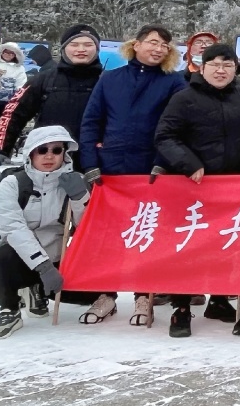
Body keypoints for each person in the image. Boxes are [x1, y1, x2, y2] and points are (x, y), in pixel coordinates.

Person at [77, 23, 186, 327]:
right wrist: (89, 162)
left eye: (164, 45)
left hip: (151, 169)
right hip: (109, 169)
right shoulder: (110, 79)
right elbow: (91, 122)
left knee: (147, 232)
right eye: (152, 42)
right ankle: (105, 294)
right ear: (135, 45)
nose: (158, 49)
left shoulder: (174, 83)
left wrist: (163, 162)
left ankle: (144, 294)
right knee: (108, 235)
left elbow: (177, 127)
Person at [155, 43, 240, 338]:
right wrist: (188, 163)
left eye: (227, 65)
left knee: (231, 247)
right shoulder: (184, 98)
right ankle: (181, 309)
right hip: (193, 187)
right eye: (214, 64)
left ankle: (219, 300)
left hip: (235, 189)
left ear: (236, 69)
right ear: (202, 67)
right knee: (189, 249)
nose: (221, 70)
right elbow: (165, 136)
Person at [0, 125, 90, 339]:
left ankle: (37, 290)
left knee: (91, 295)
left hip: (56, 253)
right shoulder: (13, 183)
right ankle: (10, 308)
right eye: (42, 150)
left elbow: (86, 228)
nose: (49, 156)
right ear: (30, 153)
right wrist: (42, 267)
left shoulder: (74, 181)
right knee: (0, 258)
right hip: (17, 253)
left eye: (56, 150)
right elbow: (13, 228)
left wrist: (80, 199)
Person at [0, 24, 104, 173]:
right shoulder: (43, 79)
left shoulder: (109, 81)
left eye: (88, 44)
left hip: (96, 165)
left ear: (97, 48)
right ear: (64, 48)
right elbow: (12, 114)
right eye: (74, 44)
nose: (81, 49)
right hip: (48, 162)